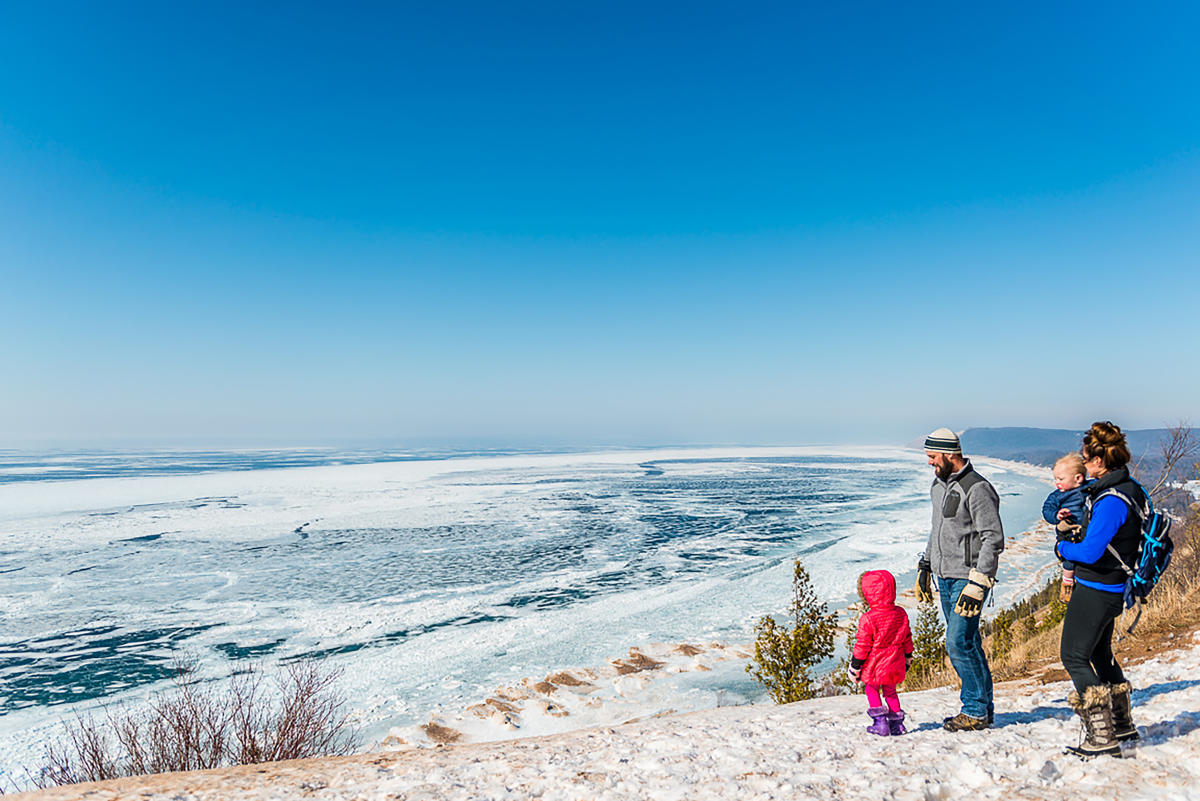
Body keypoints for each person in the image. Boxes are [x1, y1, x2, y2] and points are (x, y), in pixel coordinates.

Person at [1055, 421, 1143, 758]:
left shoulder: (1111, 499)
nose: (1083, 463)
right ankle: (1122, 723)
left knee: (1073, 656)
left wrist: (1064, 549)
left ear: (1098, 461)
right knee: (1099, 655)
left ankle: (1102, 734)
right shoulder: (1131, 487)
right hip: (1113, 587)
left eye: (1086, 458)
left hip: (1097, 588)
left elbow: (1091, 552)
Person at [914, 428, 1004, 731]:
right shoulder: (938, 486)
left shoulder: (977, 488)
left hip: (967, 581)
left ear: (949, 454)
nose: (929, 462)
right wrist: (925, 566)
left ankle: (975, 710)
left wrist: (978, 583)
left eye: (932, 457)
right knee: (969, 643)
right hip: (945, 578)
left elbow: (993, 539)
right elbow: (936, 529)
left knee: (957, 644)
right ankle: (984, 708)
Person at [849, 569, 913, 736]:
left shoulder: (868, 618)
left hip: (875, 664)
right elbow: (907, 637)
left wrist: (855, 665)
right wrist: (908, 657)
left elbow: (862, 645)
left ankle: (880, 723)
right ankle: (897, 725)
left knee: (871, 689)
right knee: (890, 691)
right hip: (894, 661)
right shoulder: (900, 613)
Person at [1042, 453, 1093, 602]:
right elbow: (1047, 510)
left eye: (1061, 479)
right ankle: (1067, 583)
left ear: (1078, 478)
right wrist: (1057, 515)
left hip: (1087, 531)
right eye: (1056, 479)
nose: (1057, 482)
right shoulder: (1057, 496)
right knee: (1069, 558)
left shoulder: (1091, 487)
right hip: (1069, 532)